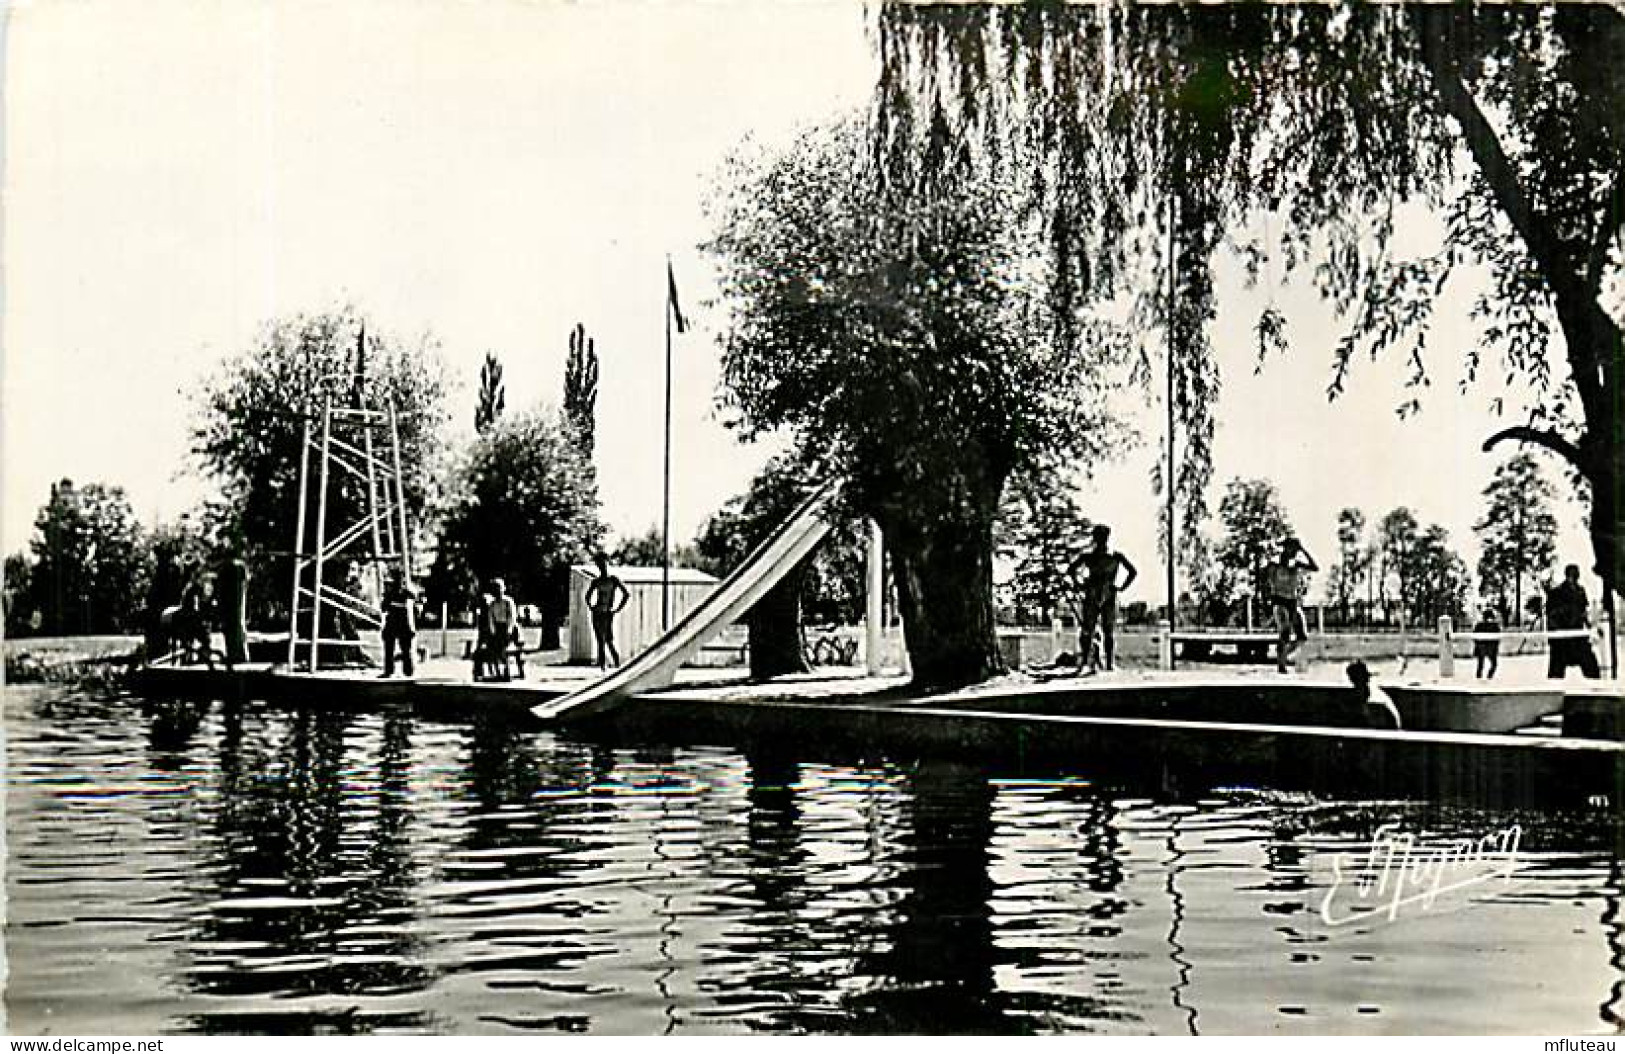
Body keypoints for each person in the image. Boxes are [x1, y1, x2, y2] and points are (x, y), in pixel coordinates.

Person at [1067, 525, 1137, 674]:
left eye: (1102, 537)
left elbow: (1132, 572)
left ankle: (1109, 663)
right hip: (1091, 596)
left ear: (1107, 538)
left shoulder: (1115, 556)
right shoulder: (1088, 557)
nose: (1100, 540)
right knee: (1087, 630)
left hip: (1108, 596)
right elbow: (1071, 570)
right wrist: (1079, 584)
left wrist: (1120, 587)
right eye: (1098, 537)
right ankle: (1086, 661)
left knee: (1108, 631)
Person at [1267, 538, 1319, 673]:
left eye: (1296, 549)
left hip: (1293, 601)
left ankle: (1282, 656)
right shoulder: (1275, 564)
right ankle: (1281, 664)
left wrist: (1304, 551)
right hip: (1279, 601)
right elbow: (1268, 580)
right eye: (1293, 549)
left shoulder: (1296, 564)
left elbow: (1315, 567)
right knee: (1284, 632)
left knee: (1302, 636)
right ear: (1286, 548)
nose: (1295, 552)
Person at [1545, 564, 1600, 679]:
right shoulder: (1557, 593)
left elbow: (1583, 612)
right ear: (1567, 574)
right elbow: (1551, 616)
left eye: (1576, 573)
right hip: (1562, 640)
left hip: (1578, 637)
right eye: (1573, 573)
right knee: (1556, 672)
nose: (1575, 576)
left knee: (1592, 667)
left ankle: (1596, 692)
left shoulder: (1580, 591)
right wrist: (1554, 637)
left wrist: (1591, 628)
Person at [584, 554, 630, 670]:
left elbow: (626, 594)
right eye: (599, 565)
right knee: (600, 640)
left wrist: (616, 609)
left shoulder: (613, 579)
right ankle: (603, 667)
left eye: (603, 564)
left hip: (607, 612)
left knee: (609, 640)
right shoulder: (596, 581)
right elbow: (587, 596)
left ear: (607, 564)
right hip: (598, 612)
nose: (602, 567)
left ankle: (617, 663)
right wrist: (591, 606)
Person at [380, 571, 417, 678]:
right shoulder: (407, 593)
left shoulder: (391, 594)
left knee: (391, 649)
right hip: (402, 623)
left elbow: (384, 608)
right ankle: (407, 670)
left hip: (395, 622)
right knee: (404, 649)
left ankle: (391, 670)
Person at [485, 579, 519, 681]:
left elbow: (512, 616)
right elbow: (490, 618)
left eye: (499, 588)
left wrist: (509, 629)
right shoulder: (492, 604)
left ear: (503, 589)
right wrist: (493, 631)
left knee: (503, 649)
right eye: (495, 589)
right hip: (497, 628)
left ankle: (506, 670)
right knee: (493, 649)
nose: (497, 591)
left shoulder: (508, 601)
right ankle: (497, 672)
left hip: (507, 628)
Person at [1472, 606, 1501, 680]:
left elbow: (1475, 637)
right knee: (1493, 664)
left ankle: (1479, 677)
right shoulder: (1495, 625)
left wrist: (1478, 645)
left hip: (1481, 646)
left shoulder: (1479, 625)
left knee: (1480, 664)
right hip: (1490, 647)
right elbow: (1497, 638)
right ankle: (1489, 677)